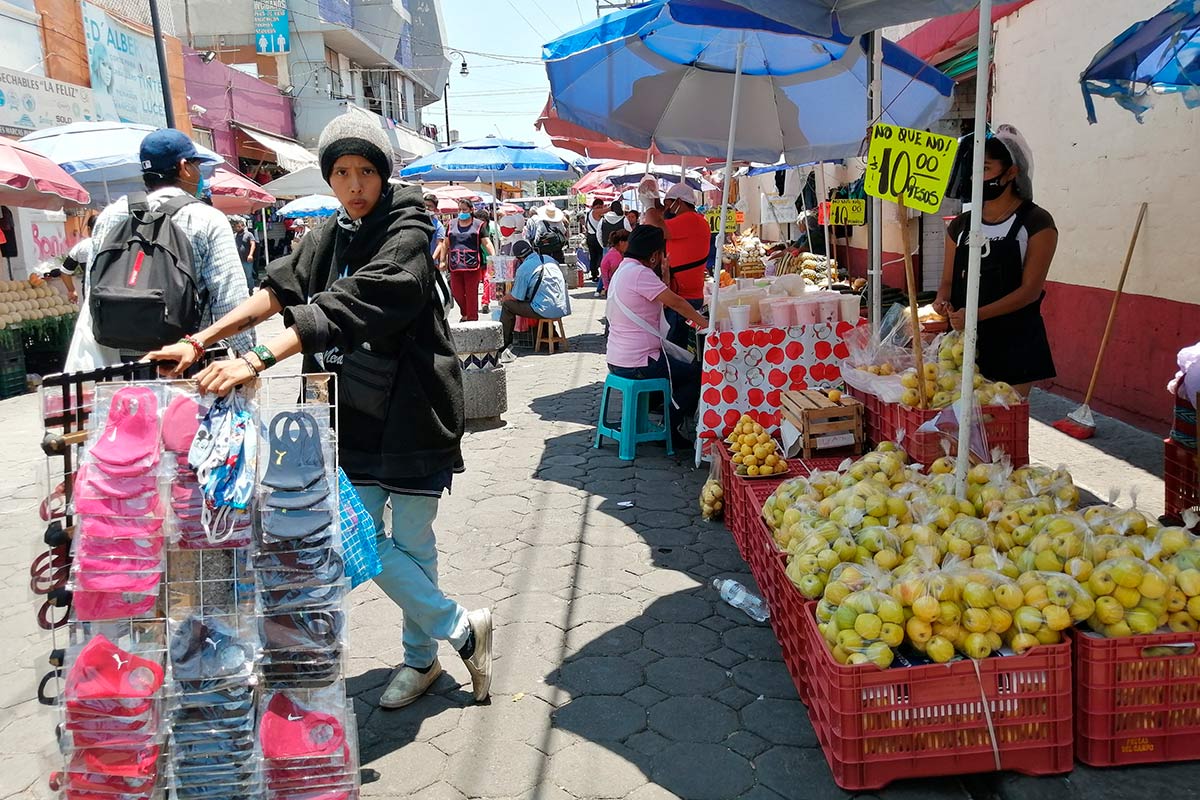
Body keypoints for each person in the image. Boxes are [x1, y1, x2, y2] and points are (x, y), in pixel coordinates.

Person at [144, 111, 493, 710]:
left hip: (413, 411)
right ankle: (462, 627)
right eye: (341, 172)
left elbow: (348, 305)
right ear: (329, 179)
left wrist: (255, 360)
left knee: (412, 540)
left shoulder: (407, 232)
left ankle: (421, 659)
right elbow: (277, 290)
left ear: (383, 175)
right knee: (354, 534)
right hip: (348, 413)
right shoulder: (331, 233)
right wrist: (202, 340)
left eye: (365, 171)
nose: (354, 185)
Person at [64, 128, 253, 371]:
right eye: (198, 166)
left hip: (121, 363)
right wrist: (246, 360)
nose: (199, 174)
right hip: (187, 359)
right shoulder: (206, 218)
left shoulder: (110, 215)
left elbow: (93, 286)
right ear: (184, 166)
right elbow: (231, 299)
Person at [934, 125, 1057, 398]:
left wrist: (975, 315)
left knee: (1003, 425)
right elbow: (947, 281)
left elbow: (1030, 291)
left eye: (985, 169)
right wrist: (942, 301)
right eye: (973, 169)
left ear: (1011, 172)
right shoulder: (962, 226)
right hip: (962, 346)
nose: (976, 177)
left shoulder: (1036, 223)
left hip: (1015, 344)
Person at [605, 225, 708, 449]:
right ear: (654, 255)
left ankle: (662, 418)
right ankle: (669, 428)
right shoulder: (639, 273)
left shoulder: (625, 269)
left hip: (618, 357)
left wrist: (664, 273)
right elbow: (677, 302)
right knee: (697, 375)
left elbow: (661, 294)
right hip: (638, 360)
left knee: (683, 367)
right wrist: (706, 324)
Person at [661, 183, 712, 349]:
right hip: (685, 294)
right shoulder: (694, 221)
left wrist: (649, 205)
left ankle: (681, 375)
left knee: (677, 349)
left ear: (679, 202)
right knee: (682, 346)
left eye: (668, 204)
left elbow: (655, 227)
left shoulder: (690, 219)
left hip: (683, 297)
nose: (666, 209)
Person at [499, 239, 571, 353]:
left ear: (518, 258)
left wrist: (504, 298)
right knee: (540, 300)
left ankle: (503, 343)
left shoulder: (524, 268)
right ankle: (550, 336)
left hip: (544, 309)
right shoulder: (549, 259)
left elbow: (516, 297)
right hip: (562, 306)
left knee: (508, 305)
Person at [445, 199, 494, 321]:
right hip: (455, 264)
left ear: (471, 210)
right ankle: (465, 313)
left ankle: (472, 318)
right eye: (459, 210)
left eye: (464, 210)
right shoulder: (451, 224)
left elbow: (487, 243)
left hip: (472, 266)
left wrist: (493, 258)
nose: (462, 212)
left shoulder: (479, 225)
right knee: (456, 292)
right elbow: (446, 244)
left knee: (471, 294)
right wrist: (442, 260)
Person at [599, 228, 629, 297]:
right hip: (613, 289)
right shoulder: (615, 255)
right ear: (621, 242)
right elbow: (617, 275)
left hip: (611, 288)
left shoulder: (614, 252)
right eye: (628, 242)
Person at [232, 217, 258, 291]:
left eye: (240, 226)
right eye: (237, 226)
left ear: (243, 226)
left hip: (247, 260)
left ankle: (251, 290)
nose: (238, 228)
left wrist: (250, 255)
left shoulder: (249, 234)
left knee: (248, 276)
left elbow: (253, 244)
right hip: (238, 260)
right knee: (240, 276)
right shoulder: (234, 236)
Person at [583, 198, 606, 282]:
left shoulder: (588, 213)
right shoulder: (596, 212)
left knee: (593, 257)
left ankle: (594, 274)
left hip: (590, 236)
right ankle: (600, 273)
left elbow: (585, 226)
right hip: (597, 237)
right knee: (600, 255)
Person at [424, 194, 446, 264]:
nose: (427, 208)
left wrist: (431, 260)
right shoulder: (416, 221)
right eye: (425, 205)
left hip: (431, 263)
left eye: (430, 206)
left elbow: (440, 244)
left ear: (435, 209)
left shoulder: (438, 226)